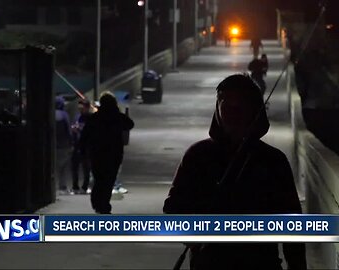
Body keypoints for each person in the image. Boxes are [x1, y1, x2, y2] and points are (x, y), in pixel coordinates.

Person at [163, 74, 306, 269]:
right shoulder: (197, 155)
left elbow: (293, 225)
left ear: (254, 110)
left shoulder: (273, 161)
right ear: (217, 109)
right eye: (225, 105)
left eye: (241, 107)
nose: (232, 113)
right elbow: (173, 208)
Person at [80, 92, 134, 214]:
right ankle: (104, 203)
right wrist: (118, 112)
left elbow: (85, 135)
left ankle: (97, 202)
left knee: (98, 178)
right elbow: (130, 124)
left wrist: (83, 150)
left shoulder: (95, 117)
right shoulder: (116, 117)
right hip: (114, 154)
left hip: (97, 153)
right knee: (109, 180)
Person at [70, 99, 92, 194]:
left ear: (87, 108)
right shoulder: (77, 117)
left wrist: (80, 129)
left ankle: (85, 186)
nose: (80, 110)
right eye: (79, 109)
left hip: (87, 146)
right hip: (77, 145)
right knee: (74, 167)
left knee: (86, 167)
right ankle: (75, 186)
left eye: (82, 109)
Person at [55, 96, 72, 195]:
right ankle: (62, 186)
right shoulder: (64, 115)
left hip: (52, 145)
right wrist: (71, 142)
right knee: (63, 166)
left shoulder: (50, 113)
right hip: (63, 144)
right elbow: (68, 131)